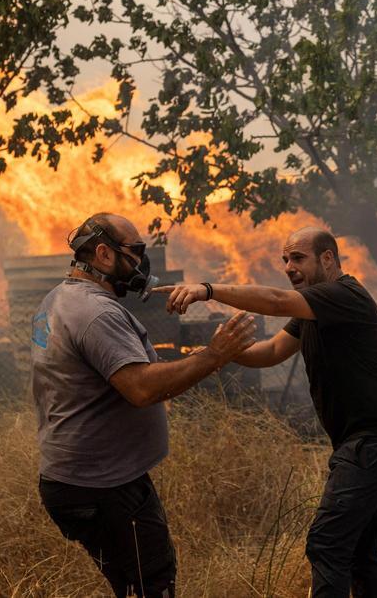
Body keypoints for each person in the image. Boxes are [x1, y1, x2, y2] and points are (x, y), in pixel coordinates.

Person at [155, 226, 377, 598]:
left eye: (298, 258)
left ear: (328, 258)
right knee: (359, 549)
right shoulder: (315, 307)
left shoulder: (344, 295)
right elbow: (272, 351)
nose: (288, 267)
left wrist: (207, 290)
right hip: (374, 439)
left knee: (327, 542)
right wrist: (218, 353)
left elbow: (276, 301)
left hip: (376, 440)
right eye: (285, 260)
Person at [31, 212, 256, 598]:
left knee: (129, 581)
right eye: (134, 251)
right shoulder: (97, 313)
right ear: (103, 254)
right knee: (152, 581)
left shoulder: (58, 300)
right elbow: (141, 389)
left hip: (80, 478)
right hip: (102, 484)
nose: (141, 262)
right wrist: (214, 355)